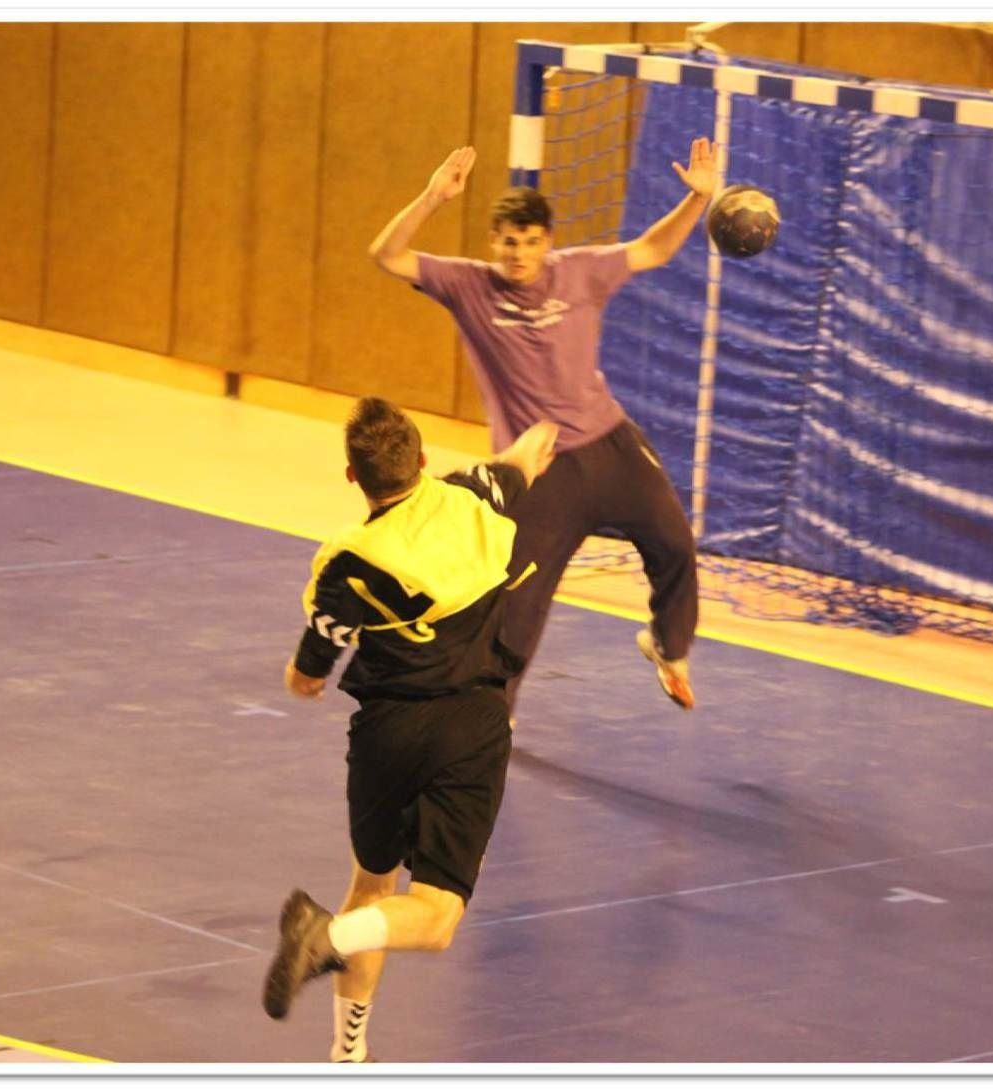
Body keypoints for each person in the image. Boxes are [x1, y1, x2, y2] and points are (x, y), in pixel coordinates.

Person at [366, 139, 720, 713]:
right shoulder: (468, 285)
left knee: (675, 543)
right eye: (509, 241)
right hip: (537, 469)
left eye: (531, 242)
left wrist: (697, 200)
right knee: (517, 602)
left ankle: (668, 646)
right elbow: (386, 254)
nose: (519, 254)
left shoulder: (581, 272)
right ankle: (491, 714)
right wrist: (433, 197)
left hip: (610, 446)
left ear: (547, 242)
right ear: (494, 242)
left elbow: (653, 249)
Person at [261, 397, 558, 1063]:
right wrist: (540, 433)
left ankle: (348, 1055)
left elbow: (309, 672)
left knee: (374, 888)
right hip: (468, 728)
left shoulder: (346, 564)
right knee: (436, 917)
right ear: (423, 459)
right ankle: (324, 937)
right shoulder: (471, 495)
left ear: (353, 476)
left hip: (384, 733)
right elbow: (521, 460)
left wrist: (298, 678)